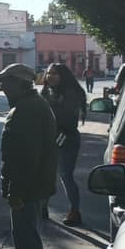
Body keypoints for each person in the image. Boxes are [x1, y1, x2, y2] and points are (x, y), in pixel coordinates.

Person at [0, 63, 58, 249]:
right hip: (34, 186)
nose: (2, 89)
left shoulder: (26, 111)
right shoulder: (31, 105)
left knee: (26, 238)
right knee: (29, 235)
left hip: (27, 189)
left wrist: (16, 192)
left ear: (20, 84)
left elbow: (25, 159)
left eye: (6, 84)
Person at [41, 63, 87, 226]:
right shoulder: (47, 91)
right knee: (46, 174)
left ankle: (75, 211)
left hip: (66, 138)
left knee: (65, 176)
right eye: (48, 73)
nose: (50, 76)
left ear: (63, 76)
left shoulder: (70, 93)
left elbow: (66, 118)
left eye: (54, 73)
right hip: (48, 137)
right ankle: (42, 208)